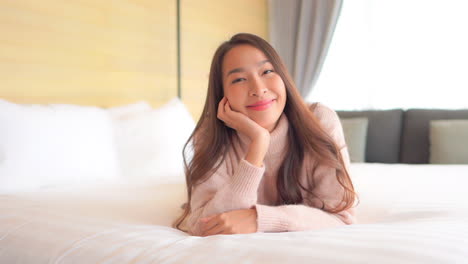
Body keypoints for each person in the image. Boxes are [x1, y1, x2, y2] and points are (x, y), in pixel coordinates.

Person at [173, 33, 359, 236]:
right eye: (239, 79)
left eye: (267, 71)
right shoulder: (210, 136)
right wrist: (258, 143)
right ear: (222, 93)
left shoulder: (319, 120)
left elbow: (342, 217)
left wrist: (260, 219)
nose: (258, 89)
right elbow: (203, 225)